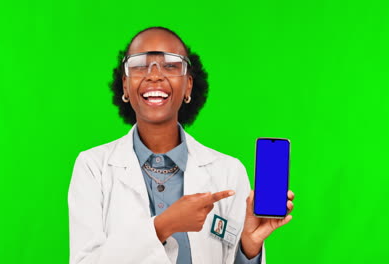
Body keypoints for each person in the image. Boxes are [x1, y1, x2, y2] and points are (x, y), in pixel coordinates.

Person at [68, 26, 295, 264]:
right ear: (125, 85)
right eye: (140, 65)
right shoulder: (93, 167)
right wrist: (164, 226)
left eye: (170, 65)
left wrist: (249, 248)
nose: (154, 75)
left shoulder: (228, 171)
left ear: (188, 85)